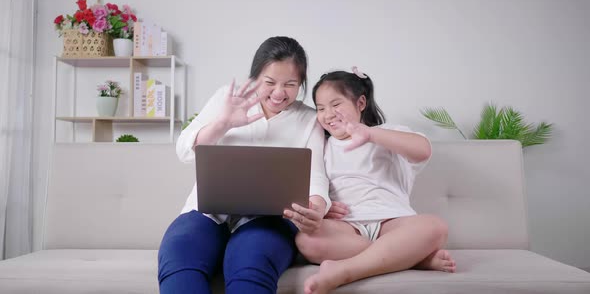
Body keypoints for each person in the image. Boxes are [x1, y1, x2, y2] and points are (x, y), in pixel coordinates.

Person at [158, 36, 331, 294]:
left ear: (301, 84)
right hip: (206, 214)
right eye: (269, 82)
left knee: (252, 266)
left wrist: (316, 209)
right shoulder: (226, 99)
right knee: (180, 258)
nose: (279, 93)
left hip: (269, 221)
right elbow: (184, 149)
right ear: (254, 77)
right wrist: (223, 123)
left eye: (291, 84)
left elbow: (316, 178)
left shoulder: (308, 119)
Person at [292, 68, 456, 294]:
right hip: (347, 228)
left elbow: (423, 150)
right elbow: (314, 187)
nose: (328, 114)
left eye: (336, 104)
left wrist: (370, 135)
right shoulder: (323, 147)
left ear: (360, 103)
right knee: (306, 240)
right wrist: (324, 208)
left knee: (435, 227)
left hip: (392, 223)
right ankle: (412, 258)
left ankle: (343, 271)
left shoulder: (387, 133)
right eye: (320, 109)